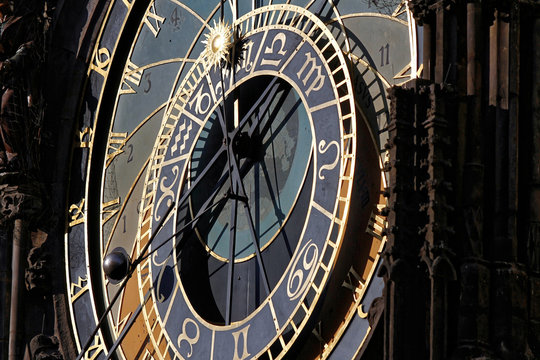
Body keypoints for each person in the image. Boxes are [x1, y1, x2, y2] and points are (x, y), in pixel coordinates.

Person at [0, 0, 41, 170]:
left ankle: (14, 156)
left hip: (16, 79)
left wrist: (11, 63)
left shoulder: (25, 18)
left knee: (5, 106)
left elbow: (31, 46)